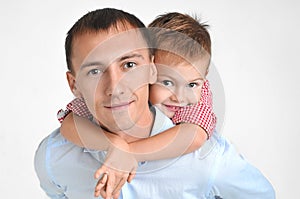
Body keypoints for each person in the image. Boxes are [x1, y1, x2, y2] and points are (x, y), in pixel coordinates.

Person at [34, 8, 275, 199]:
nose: (116, 87)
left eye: (129, 65)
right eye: (95, 71)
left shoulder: (207, 158)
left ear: (151, 70)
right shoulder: (54, 157)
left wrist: (128, 152)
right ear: (74, 84)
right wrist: (114, 146)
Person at [56, 10, 217, 199]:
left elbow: (194, 137)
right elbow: (69, 122)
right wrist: (113, 144)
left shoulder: (194, 102)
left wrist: (127, 154)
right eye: (166, 82)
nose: (178, 97)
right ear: (152, 71)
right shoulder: (121, 92)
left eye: (192, 84)